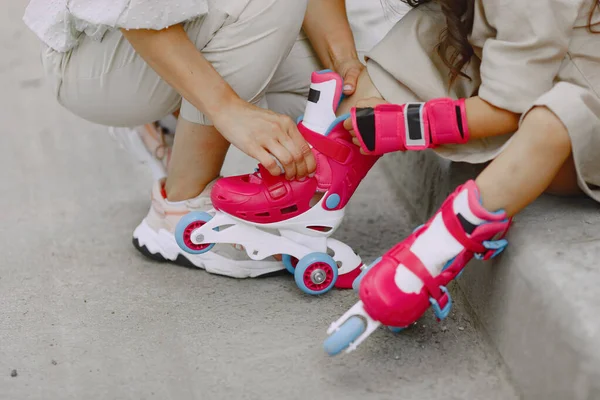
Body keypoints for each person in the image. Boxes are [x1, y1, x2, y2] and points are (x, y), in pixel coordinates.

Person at [325, 0, 600, 351]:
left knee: (554, 119)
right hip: (542, 78)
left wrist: (406, 124)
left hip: (580, 127)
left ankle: (432, 252)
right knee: (425, 29)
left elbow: (507, 111)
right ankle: (314, 189)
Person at [22, 0, 365, 277]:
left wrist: (346, 62)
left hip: (175, 21)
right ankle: (179, 208)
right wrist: (228, 110)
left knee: (318, 75)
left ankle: (171, 126)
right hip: (96, 51)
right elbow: (134, 9)